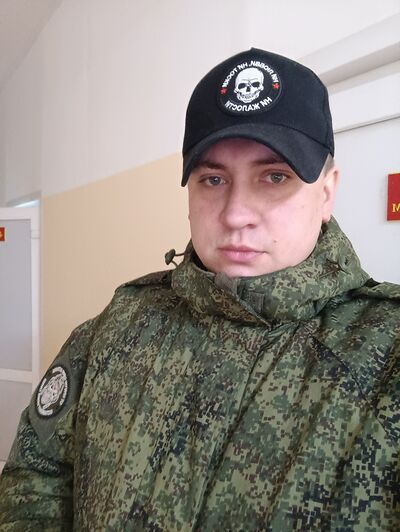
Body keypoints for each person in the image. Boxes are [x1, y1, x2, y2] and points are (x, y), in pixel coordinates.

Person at [0, 48, 399, 531]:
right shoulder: (115, 328)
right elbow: (35, 478)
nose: (235, 214)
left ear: (327, 192)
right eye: (213, 179)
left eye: (275, 177)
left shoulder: (386, 353)